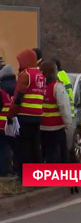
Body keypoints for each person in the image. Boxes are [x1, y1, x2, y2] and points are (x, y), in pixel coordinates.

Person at [7, 49, 45, 181]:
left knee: (23, 147)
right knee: (35, 146)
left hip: (24, 116)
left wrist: (10, 114)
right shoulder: (41, 74)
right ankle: (38, 176)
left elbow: (18, 97)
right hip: (37, 116)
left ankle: (24, 176)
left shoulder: (26, 75)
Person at [39, 61, 75, 192]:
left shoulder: (40, 87)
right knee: (59, 154)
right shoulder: (57, 87)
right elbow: (64, 107)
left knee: (45, 153)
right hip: (56, 127)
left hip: (42, 127)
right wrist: (68, 123)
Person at [0, 85, 11, 176]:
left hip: (1, 125)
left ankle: (3, 171)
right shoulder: (3, 93)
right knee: (5, 148)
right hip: (4, 125)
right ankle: (5, 170)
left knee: (3, 148)